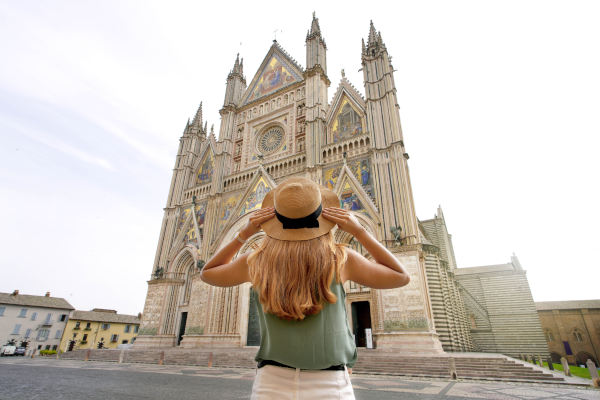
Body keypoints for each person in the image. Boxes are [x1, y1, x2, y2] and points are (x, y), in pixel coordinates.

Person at [201, 177, 410, 399]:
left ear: (274, 222)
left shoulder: (255, 262)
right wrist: (359, 232)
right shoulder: (341, 259)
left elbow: (208, 273)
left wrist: (243, 234)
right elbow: (400, 276)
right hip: (329, 385)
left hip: (270, 383)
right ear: (321, 217)